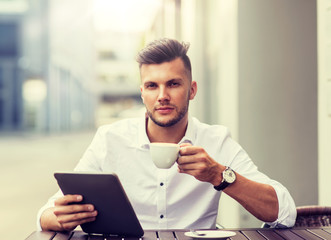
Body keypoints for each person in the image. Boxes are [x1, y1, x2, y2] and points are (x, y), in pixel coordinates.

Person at [37, 38, 296, 232]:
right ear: (142, 92)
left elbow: (284, 212)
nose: (162, 96)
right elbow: (46, 213)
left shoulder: (215, 141)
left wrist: (219, 175)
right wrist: (60, 219)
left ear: (192, 90)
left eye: (173, 83)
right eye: (152, 86)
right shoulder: (110, 139)